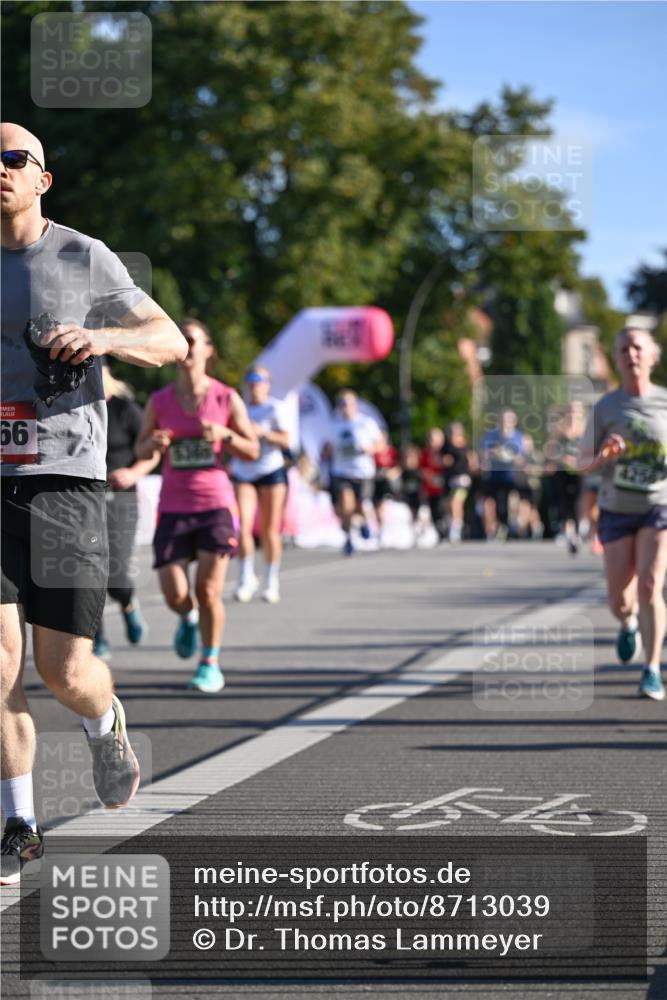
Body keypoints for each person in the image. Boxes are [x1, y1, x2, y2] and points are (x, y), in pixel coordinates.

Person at [0, 123, 186, 884]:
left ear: (44, 179)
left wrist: (102, 340)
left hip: (67, 480)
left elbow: (170, 341)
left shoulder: (83, 255)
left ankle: (104, 721)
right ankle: (19, 820)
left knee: (65, 669)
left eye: (15, 159)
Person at [135, 318, 259, 694]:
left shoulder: (226, 397)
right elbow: (141, 448)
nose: (186, 348)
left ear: (208, 349)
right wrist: (153, 444)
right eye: (181, 342)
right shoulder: (159, 401)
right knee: (175, 596)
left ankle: (210, 662)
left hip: (215, 504)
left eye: (192, 340)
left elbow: (253, 450)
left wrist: (225, 435)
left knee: (208, 591)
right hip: (173, 505)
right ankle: (187, 619)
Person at [578, 326, 667, 701]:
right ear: (615, 359)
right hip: (616, 508)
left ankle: (651, 669)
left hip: (657, 506)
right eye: (623, 349)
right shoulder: (605, 408)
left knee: (649, 586)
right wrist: (603, 458)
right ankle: (627, 623)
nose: (631, 354)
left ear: (652, 356)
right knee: (620, 599)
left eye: (637, 347)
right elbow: (582, 464)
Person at [94, 360, 158, 659]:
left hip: (121, 497)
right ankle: (97, 638)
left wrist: (133, 473)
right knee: (86, 572)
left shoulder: (125, 409)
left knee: (115, 572)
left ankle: (128, 603)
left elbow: (151, 452)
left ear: (107, 373)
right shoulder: (76, 409)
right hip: (84, 500)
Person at [230, 366, 290, 604]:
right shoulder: (240, 408)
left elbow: (286, 440)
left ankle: (271, 580)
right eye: (251, 379)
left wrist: (262, 433)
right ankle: (246, 577)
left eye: (260, 380)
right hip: (244, 470)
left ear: (267, 384)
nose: (255, 384)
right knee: (243, 528)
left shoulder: (275, 407)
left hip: (270, 470)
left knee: (269, 530)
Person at [324, 390, 384, 555]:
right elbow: (327, 448)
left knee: (361, 506)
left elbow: (380, 443)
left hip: (363, 472)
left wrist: (369, 448)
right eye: (342, 404)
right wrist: (327, 452)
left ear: (355, 405)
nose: (345, 407)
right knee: (346, 504)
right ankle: (349, 537)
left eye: (348, 403)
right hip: (342, 471)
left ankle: (364, 521)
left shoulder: (365, 422)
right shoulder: (334, 425)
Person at [479, 408, 526, 540]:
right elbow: (482, 453)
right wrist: (493, 452)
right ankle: (491, 530)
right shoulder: (491, 435)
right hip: (493, 475)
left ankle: (509, 527)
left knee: (510, 501)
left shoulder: (518, 437)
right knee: (490, 502)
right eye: (503, 419)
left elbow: (521, 458)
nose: (506, 422)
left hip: (510, 475)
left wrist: (510, 455)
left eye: (509, 420)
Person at [545, 401, 585, 554]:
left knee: (577, 501)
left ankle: (577, 530)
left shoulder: (585, 428)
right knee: (563, 500)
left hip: (579, 470)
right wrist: (562, 459)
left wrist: (580, 461)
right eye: (570, 410)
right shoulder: (558, 428)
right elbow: (549, 450)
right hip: (562, 469)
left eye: (576, 410)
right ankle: (565, 530)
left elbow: (591, 448)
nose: (573, 413)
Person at [442, 422, 474, 543]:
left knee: (457, 502)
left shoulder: (466, 446)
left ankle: (456, 530)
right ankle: (452, 524)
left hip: (463, 479)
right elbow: (442, 460)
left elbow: (472, 461)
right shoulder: (446, 446)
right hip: (450, 479)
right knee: (448, 504)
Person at [372, 431, 402, 542]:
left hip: (389, 484)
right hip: (377, 482)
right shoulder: (373, 453)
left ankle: (386, 530)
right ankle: (380, 530)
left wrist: (392, 473)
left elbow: (398, 467)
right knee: (377, 506)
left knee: (384, 505)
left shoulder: (392, 452)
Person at [419, 428, 447, 541]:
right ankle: (439, 534)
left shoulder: (446, 453)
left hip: (444, 489)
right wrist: (427, 476)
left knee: (443, 510)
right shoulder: (425, 454)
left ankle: (449, 531)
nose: (433, 442)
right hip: (430, 489)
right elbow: (421, 469)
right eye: (430, 439)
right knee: (434, 511)